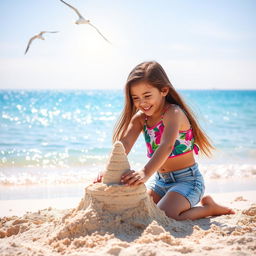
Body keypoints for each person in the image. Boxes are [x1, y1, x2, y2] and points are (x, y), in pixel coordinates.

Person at [95, 61, 235, 220]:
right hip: (160, 183)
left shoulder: (173, 113)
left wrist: (145, 173)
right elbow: (124, 144)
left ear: (164, 90)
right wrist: (110, 168)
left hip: (188, 181)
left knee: (164, 217)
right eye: (136, 98)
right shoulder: (141, 119)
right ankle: (191, 205)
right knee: (139, 212)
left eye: (147, 96)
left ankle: (209, 208)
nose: (142, 103)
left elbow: (167, 146)